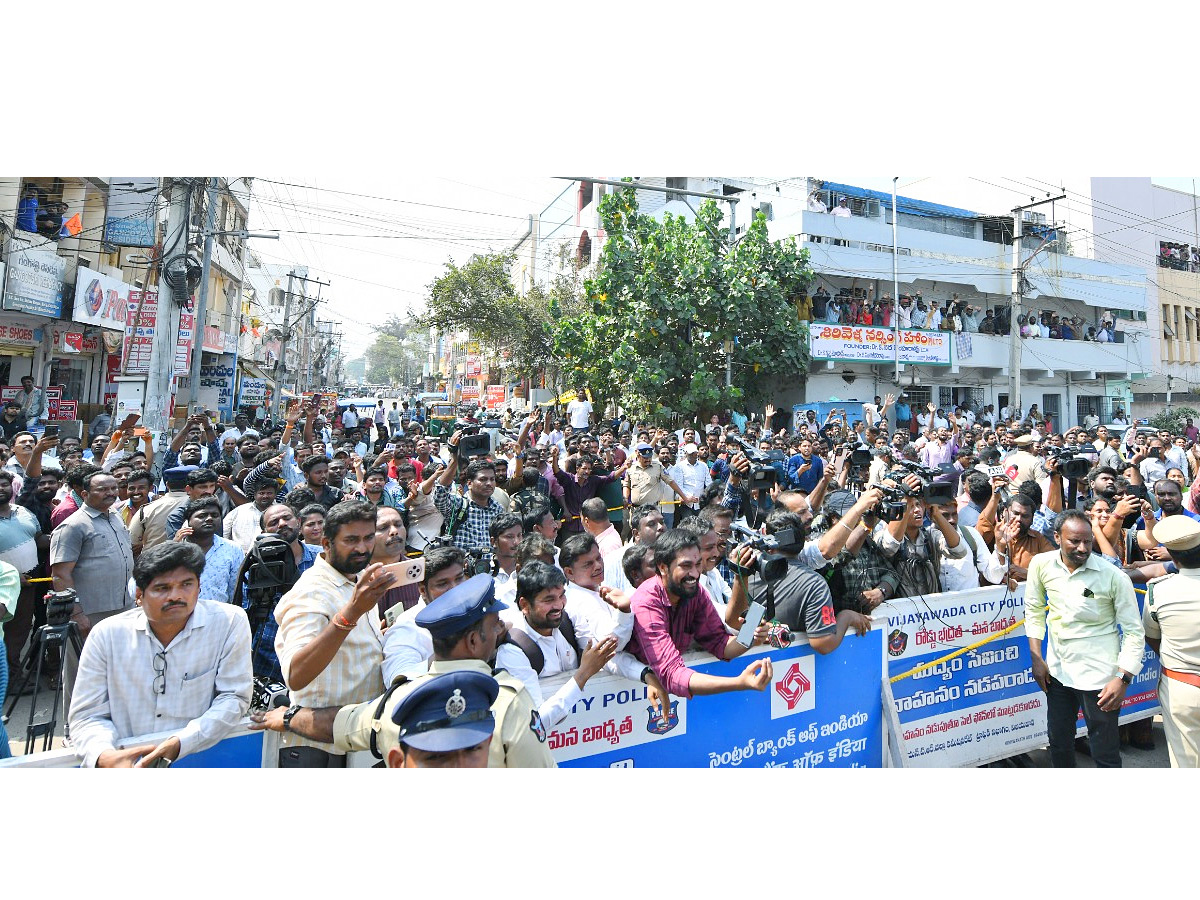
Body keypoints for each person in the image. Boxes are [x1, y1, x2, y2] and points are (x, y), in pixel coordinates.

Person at [253, 573, 557, 768]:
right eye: (495, 626)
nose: (502, 629)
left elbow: (338, 724)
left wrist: (288, 717)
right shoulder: (508, 700)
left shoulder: (399, 701)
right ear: (475, 640)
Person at [67, 541, 252, 767]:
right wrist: (104, 756)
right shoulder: (107, 635)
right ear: (139, 595)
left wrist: (182, 742)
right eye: (162, 588)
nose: (176, 596)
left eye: (186, 584)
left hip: (201, 756)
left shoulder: (229, 621)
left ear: (199, 587)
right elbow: (87, 715)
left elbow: (234, 697)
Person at [272, 501, 396, 766]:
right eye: (351, 540)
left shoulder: (358, 577)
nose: (362, 548)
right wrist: (351, 613)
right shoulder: (311, 592)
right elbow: (296, 674)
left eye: (367, 538)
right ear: (327, 544)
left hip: (359, 739)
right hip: (318, 747)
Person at [1025, 509, 1144, 768]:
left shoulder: (1112, 576)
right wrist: (1037, 658)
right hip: (1057, 673)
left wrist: (1122, 678)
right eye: (1074, 541)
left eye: (1088, 541)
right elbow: (1034, 611)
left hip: (1100, 679)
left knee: (1105, 753)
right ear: (1057, 537)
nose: (1083, 548)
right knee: (1058, 743)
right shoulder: (1041, 565)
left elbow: (1134, 632)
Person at [626, 529, 774, 698]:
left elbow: (720, 643)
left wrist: (750, 636)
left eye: (697, 565)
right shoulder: (646, 602)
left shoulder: (695, 591)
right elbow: (671, 673)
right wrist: (739, 683)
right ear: (662, 567)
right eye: (686, 566)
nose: (695, 574)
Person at [494, 561, 621, 728]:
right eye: (548, 600)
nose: (558, 605)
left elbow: (609, 654)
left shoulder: (567, 621)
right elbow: (535, 723)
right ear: (524, 605)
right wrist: (583, 674)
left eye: (561, 596)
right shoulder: (513, 652)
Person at [727, 511, 871, 653]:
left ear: (766, 535)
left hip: (749, 666)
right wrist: (846, 617)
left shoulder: (748, 572)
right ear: (804, 540)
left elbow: (739, 624)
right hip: (789, 668)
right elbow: (823, 643)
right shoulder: (814, 584)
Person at [1141, 515, 1200, 766]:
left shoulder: (1158, 590)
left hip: (1182, 686)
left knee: (1186, 763)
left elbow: (1152, 638)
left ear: (1172, 558)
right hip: (1180, 682)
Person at [432, 432, 504, 551]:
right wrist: (455, 456)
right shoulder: (458, 505)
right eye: (483, 479)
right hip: (460, 567)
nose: (489, 483)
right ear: (469, 483)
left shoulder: (498, 509)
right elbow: (440, 493)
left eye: (492, 479)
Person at [175, 497, 244, 603]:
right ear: (188, 521)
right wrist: (174, 546)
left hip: (219, 615)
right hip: (181, 615)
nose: (209, 519)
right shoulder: (176, 549)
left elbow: (235, 590)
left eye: (215, 515)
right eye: (202, 516)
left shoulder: (233, 549)